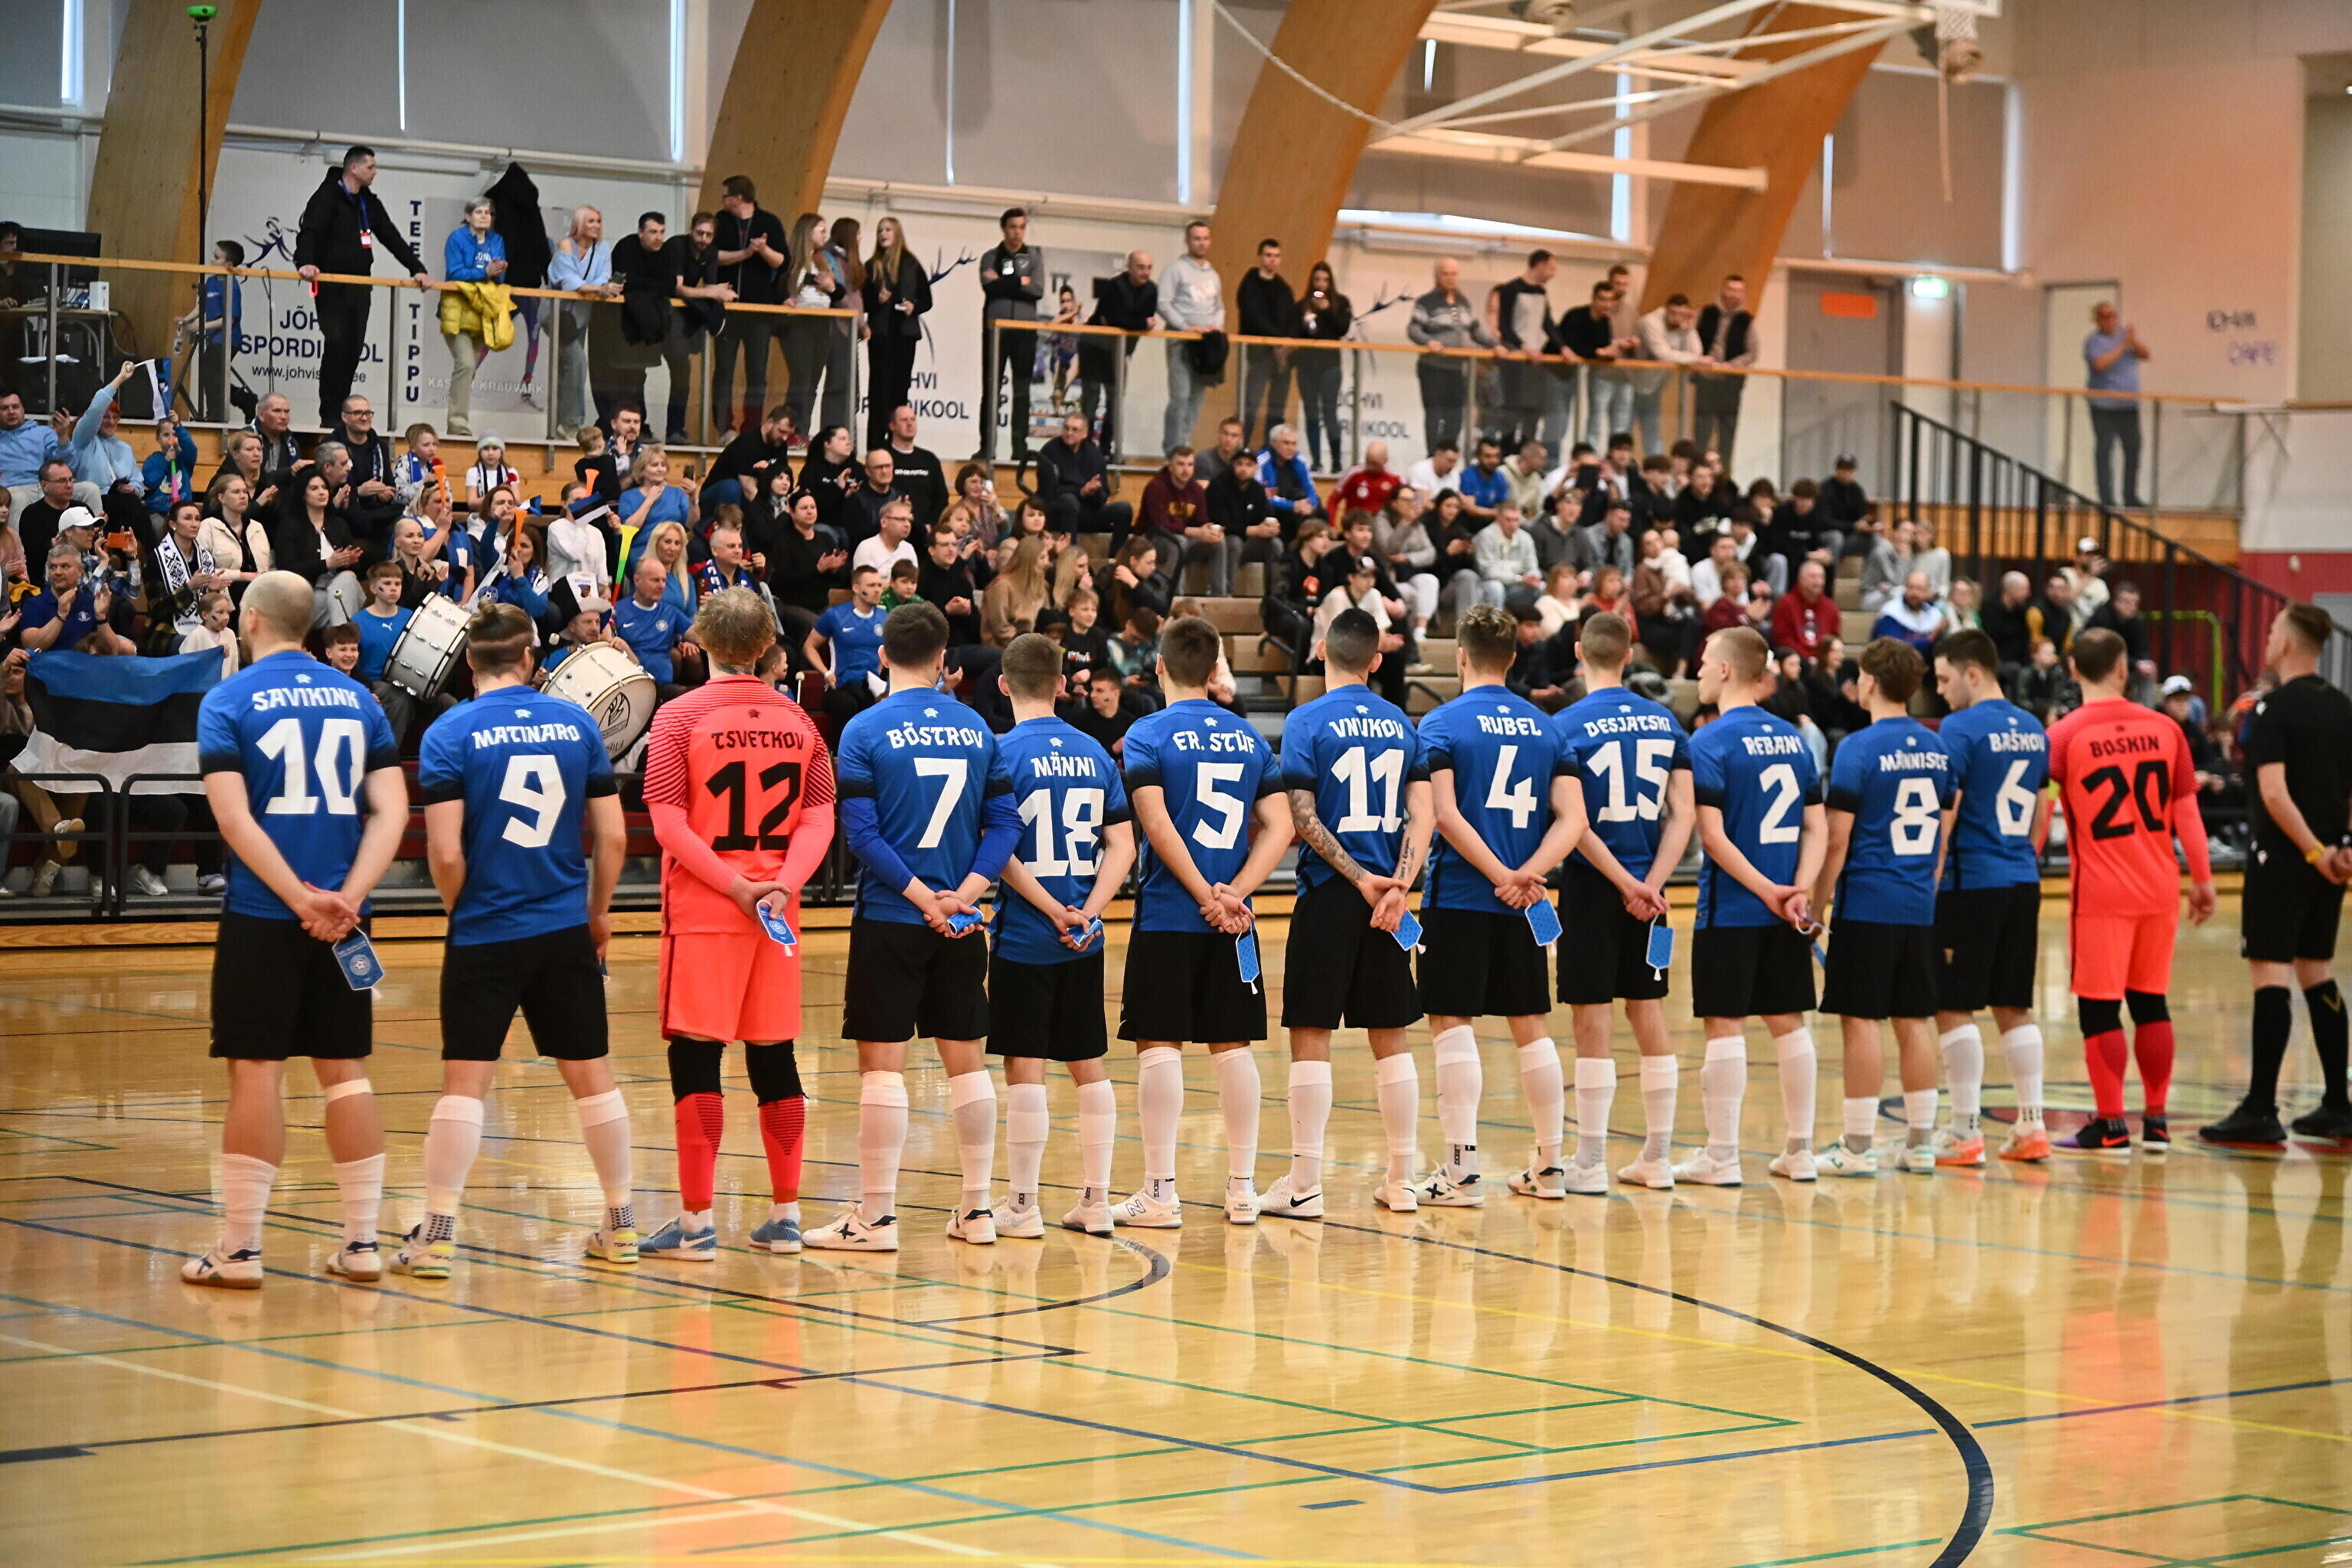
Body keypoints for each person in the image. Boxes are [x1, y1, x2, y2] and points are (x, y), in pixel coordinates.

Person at [388, 603, 638, 1276]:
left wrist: (464, 911)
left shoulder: (449, 732)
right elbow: (614, 837)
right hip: (563, 926)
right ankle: (621, 1224)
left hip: (485, 929)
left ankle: (438, 1235)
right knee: (593, 1079)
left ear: (469, 662)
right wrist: (598, 913)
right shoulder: (577, 723)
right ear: (530, 658)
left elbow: (444, 853)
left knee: (465, 1084)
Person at [180, 572, 407, 1289]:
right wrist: (346, 900)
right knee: (346, 1072)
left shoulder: (228, 699)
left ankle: (240, 1250)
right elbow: (393, 812)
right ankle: (363, 1244)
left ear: (250, 620)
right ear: (309, 626)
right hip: (345, 923)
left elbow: (233, 819)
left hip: (263, 914)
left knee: (256, 1072)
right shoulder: (360, 700)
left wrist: (298, 900)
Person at [626, 589, 838, 1258]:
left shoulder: (678, 716)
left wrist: (735, 887)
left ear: (701, 643)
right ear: (769, 646)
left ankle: (695, 1226)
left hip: (708, 910)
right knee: (775, 1056)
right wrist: (783, 886)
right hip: (778, 914)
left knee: (696, 1057)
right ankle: (786, 1217)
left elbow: (667, 823)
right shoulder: (801, 721)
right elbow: (819, 819)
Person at [806, 603, 1019, 1251]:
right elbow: (1005, 824)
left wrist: (924, 899)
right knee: (967, 1065)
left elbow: (861, 834)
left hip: (892, 917)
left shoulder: (864, 729)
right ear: (943, 661)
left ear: (881, 656)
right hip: (962, 921)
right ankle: (978, 1210)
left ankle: (875, 1219)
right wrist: (963, 897)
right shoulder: (978, 727)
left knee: (882, 1069)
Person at [1111, 615, 1295, 1227]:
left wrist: (1203, 895)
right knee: (1232, 1045)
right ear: (1216, 669)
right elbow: (1282, 826)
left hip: (1170, 912)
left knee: (1158, 1044)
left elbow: (1155, 822)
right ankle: (1242, 1190)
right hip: (1234, 921)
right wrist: (1235, 894)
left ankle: (1161, 1194)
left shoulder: (1147, 732)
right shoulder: (1248, 736)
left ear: (1160, 665)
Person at [1256, 609, 1436, 1219]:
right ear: (1377, 660)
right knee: (1392, 1037)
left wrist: (1361, 880)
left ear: (1320, 651)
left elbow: (1302, 815)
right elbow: (1424, 814)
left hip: (1334, 891)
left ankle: (1305, 1184)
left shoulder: (1305, 719)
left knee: (1311, 1032)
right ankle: (1402, 1180)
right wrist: (1399, 886)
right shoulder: (1401, 722)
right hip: (1390, 897)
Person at [1413, 605, 1587, 1200]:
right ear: (1513, 659)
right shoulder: (1548, 727)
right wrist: (1527, 875)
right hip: (1523, 903)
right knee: (1531, 1026)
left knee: (1450, 1021)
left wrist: (1500, 875)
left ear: (1461, 656)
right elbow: (1574, 819)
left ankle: (1461, 1172)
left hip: (1461, 895)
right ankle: (1550, 1167)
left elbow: (1443, 814)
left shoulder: (1441, 723)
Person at [984, 635, 1138, 1236]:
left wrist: (1052, 911)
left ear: (1004, 684)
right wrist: (1088, 913)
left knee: (1025, 1065)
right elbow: (1122, 845)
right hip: (1085, 937)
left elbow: (997, 849)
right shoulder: (1094, 752)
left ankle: (1023, 1206)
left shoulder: (1001, 753)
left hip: (1027, 934)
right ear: (1061, 685)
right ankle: (1096, 1202)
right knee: (1088, 1063)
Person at [2044, 626, 2216, 1155]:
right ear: (2123, 669)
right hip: (2160, 887)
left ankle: (2111, 1124)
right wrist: (2203, 880)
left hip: (2101, 893)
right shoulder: (2167, 729)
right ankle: (2157, 1123)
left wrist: (2026, 861)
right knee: (2151, 1003)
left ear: (2074, 670)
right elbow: (2187, 811)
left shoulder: (2063, 736)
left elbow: (2040, 810)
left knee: (2099, 1008)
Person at [1549, 611, 1696, 1191]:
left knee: (1592, 1017)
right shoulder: (1665, 721)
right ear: (1630, 655)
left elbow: (1574, 821)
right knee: (1648, 1010)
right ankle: (1657, 1157)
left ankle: (1589, 1162)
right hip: (1650, 887)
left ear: (1579, 654)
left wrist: (1620, 883)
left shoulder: (1565, 723)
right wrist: (1650, 883)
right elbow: (1683, 815)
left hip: (1593, 884)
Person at [1681, 625, 1828, 1187]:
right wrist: (1799, 889)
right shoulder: (1794, 738)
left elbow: (1713, 837)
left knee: (1725, 1025)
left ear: (1725, 670)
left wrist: (1768, 891)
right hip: (1788, 908)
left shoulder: (1708, 742)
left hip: (1734, 909)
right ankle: (1800, 1150)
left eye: (1704, 662)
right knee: (1789, 1023)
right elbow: (1816, 827)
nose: (1698, 672)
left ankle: (1722, 1156)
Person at [2201, 604, 2352, 1149]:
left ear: (2286, 642)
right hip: (2331, 861)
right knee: (2317, 970)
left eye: (2271, 630)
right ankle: (2338, 1104)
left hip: (2285, 858)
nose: (2266, 638)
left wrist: (2311, 851)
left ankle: (2261, 1108)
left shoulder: (2272, 708)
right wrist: (2342, 850)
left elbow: (2273, 793)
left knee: (2271, 973)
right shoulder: (2344, 707)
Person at [1807, 639, 1954, 1178]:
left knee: (1861, 1021)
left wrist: (1816, 907)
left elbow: (1837, 840)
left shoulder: (1858, 748)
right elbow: (1941, 836)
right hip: (1917, 904)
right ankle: (1920, 1145)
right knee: (1914, 1021)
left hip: (1868, 903)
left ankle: (1857, 1145)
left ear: (1869, 682)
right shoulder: (1938, 748)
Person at [1929, 628, 2054, 1164]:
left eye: (1944, 680)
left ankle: (1965, 1131)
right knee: (2014, 1005)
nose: (1940, 691)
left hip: (1970, 882)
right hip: (2022, 878)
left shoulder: (1958, 728)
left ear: (1973, 673)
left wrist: (1931, 876)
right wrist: (2020, 854)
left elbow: (1947, 809)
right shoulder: (2033, 727)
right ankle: (2032, 1125)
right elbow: (2044, 808)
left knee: (1953, 1005)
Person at [293, 146, 430, 426]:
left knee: (353, 349)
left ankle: (341, 413)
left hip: (360, 285)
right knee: (336, 344)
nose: (375, 172)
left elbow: (390, 235)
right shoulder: (326, 196)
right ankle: (329, 416)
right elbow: (310, 232)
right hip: (332, 284)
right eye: (371, 167)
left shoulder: (368, 201)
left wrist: (416, 268)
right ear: (354, 168)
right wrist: (305, 262)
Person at [711, 176, 789, 436]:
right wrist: (745, 254)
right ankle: (724, 427)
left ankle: (752, 427)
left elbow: (782, 262)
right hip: (728, 309)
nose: (722, 201)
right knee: (724, 370)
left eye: (725, 196)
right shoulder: (721, 221)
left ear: (738, 198)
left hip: (759, 311)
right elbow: (713, 256)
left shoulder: (769, 222)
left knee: (757, 372)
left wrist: (763, 250)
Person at [438, 197, 509, 437]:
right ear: (468, 216)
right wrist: (484, 271)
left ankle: (457, 418)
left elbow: (499, 278)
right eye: (479, 212)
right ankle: (457, 422)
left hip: (482, 312)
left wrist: (499, 270)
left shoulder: (496, 240)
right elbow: (454, 272)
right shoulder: (457, 238)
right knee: (466, 364)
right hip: (458, 310)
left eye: (488, 212)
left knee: (470, 368)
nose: (484, 216)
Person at [1407, 258, 1496, 451]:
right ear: (1437, 276)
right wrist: (1428, 341)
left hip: (1456, 369)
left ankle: (1448, 454)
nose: (1450, 278)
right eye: (1445, 274)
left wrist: (1496, 345)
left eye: (1454, 274)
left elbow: (1476, 331)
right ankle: (1433, 456)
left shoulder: (1463, 302)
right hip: (1433, 368)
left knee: (1455, 417)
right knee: (1434, 416)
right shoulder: (1426, 302)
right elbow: (1414, 329)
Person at [977, 207, 1044, 460]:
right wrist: (1020, 281)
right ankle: (987, 447)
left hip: (1025, 332)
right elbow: (990, 287)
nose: (1017, 232)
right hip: (996, 332)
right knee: (991, 388)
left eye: (1022, 227)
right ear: (1004, 229)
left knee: (1022, 389)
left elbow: (1037, 290)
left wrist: (1004, 282)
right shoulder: (990, 257)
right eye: (1013, 227)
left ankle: (1019, 447)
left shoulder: (1034, 257)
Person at [550, 207, 620, 440]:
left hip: (581, 315)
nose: (596, 225)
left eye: (599, 221)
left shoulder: (603, 248)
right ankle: (571, 424)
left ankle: (558, 426)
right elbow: (569, 281)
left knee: (568, 370)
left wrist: (603, 287)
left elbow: (604, 276)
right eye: (591, 221)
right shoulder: (565, 245)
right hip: (557, 313)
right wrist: (600, 289)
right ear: (579, 223)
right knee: (577, 362)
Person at [862, 217, 932, 451]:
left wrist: (914, 307)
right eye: (880, 230)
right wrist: (877, 300)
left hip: (905, 336)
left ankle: (897, 446)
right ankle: (875, 447)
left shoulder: (911, 264)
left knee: (900, 391)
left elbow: (927, 300)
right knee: (878, 391)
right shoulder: (872, 266)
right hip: (881, 337)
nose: (883, 234)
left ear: (897, 233)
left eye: (888, 230)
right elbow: (862, 301)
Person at [1160, 220, 1224, 453]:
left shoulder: (1213, 275)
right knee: (1180, 396)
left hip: (1206, 346)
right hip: (1181, 342)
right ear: (1187, 241)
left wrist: (1215, 328)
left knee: (1196, 398)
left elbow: (1220, 307)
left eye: (1205, 238)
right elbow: (1163, 303)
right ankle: (1172, 449)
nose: (1201, 243)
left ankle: (1185, 446)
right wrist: (1185, 327)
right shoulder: (1175, 269)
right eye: (1197, 238)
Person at [2084, 301, 2151, 508]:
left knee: (2133, 449)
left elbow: (2145, 354)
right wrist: (2123, 346)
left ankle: (2130, 496)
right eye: (2105, 316)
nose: (2110, 320)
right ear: (2097, 320)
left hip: (2128, 406)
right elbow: (2100, 364)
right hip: (2103, 406)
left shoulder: (2125, 336)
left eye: (2113, 315)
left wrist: (2133, 342)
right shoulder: (2093, 341)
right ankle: (2107, 500)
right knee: (2105, 450)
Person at [1034, 410, 1132, 541]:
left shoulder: (1093, 453)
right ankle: (1070, 552)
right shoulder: (1050, 450)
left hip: (1088, 510)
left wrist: (1095, 491)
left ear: (1085, 434)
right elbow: (1046, 491)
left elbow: (1104, 494)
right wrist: (1081, 491)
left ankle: (1117, 553)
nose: (1069, 433)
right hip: (1059, 511)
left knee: (1124, 508)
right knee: (1069, 501)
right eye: (1066, 428)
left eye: (1075, 430)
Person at [1294, 262, 1353, 469]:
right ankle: (1316, 461)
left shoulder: (1341, 303)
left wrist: (1326, 310)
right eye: (1317, 280)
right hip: (1306, 365)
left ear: (1331, 282)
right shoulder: (1302, 305)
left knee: (1330, 412)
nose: (1321, 284)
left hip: (1330, 365)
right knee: (1311, 413)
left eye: (1325, 280)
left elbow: (1342, 328)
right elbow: (1296, 333)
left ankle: (1336, 460)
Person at [1693, 276, 1756, 462]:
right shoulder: (1705, 313)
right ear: (1723, 290)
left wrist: (1732, 366)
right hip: (1706, 380)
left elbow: (1753, 353)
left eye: (1739, 291)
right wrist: (1700, 360)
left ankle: (1724, 472)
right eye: (1731, 289)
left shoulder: (1746, 321)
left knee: (1727, 434)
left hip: (1730, 384)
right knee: (1702, 432)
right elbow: (1691, 339)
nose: (1734, 294)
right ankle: (1699, 468)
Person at [1633, 296, 1704, 456]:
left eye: (1682, 314)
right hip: (1632, 383)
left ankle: (1655, 463)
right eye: (1673, 313)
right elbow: (1663, 354)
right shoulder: (1651, 322)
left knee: (1652, 429)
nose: (1677, 318)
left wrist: (1690, 329)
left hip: (1655, 386)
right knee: (1625, 429)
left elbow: (1696, 353)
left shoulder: (1682, 326)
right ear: (1666, 310)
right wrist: (1695, 359)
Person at [1769, 558, 1840, 662]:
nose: (1818, 582)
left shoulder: (1830, 607)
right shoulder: (1786, 604)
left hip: (1823, 662)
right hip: (1796, 660)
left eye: (1821, 577)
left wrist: (1822, 658)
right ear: (1801, 579)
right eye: (1813, 577)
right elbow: (1782, 639)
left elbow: (1834, 637)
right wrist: (1807, 658)